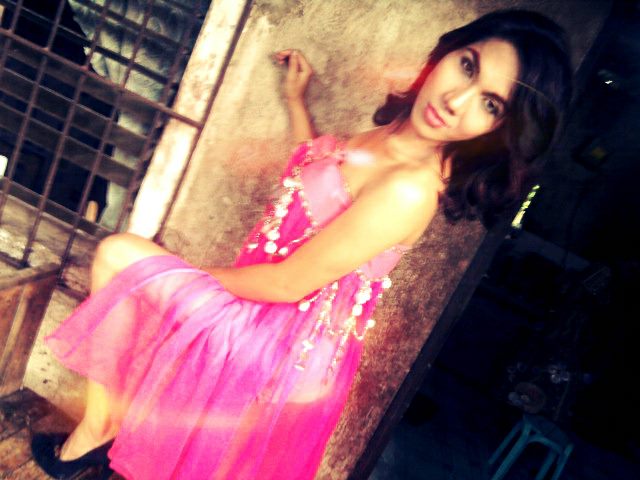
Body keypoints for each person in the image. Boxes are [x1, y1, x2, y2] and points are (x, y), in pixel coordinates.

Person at [31, 9, 572, 480]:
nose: (455, 101)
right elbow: (317, 177)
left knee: (120, 258)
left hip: (284, 342)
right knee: (143, 304)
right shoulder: (391, 136)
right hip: (269, 315)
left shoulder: (410, 187)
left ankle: (99, 427)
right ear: (448, 52)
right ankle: (106, 429)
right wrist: (296, 100)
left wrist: (176, 276)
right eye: (468, 66)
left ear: (502, 130)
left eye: (490, 105)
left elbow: (289, 283)